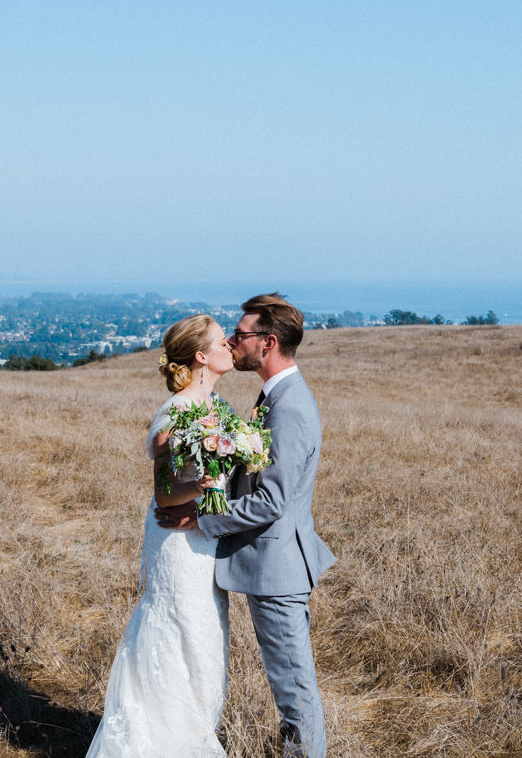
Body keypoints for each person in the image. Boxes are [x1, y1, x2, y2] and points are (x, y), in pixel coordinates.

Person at [157, 293, 336, 758]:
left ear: (268, 342)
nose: (234, 342)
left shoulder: (290, 407)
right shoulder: (272, 396)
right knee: (292, 686)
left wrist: (200, 517)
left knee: (294, 691)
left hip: (277, 568)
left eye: (242, 334)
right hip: (268, 565)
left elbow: (272, 501)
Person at [85, 314, 235, 757]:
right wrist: (205, 487)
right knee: (181, 639)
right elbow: (164, 493)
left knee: (205, 642)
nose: (230, 344)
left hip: (203, 538)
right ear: (201, 356)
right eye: (220, 340)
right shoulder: (178, 410)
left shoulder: (214, 405)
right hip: (179, 543)